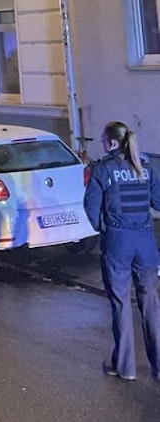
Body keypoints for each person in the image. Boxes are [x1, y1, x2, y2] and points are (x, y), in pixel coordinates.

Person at [83, 120, 160, 381]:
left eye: (104, 141)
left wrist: (104, 227)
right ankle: (159, 366)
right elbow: (158, 202)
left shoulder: (104, 170)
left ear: (113, 143)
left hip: (118, 243)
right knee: (151, 304)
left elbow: (91, 207)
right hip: (146, 243)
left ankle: (125, 367)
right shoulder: (146, 167)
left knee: (121, 303)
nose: (103, 145)